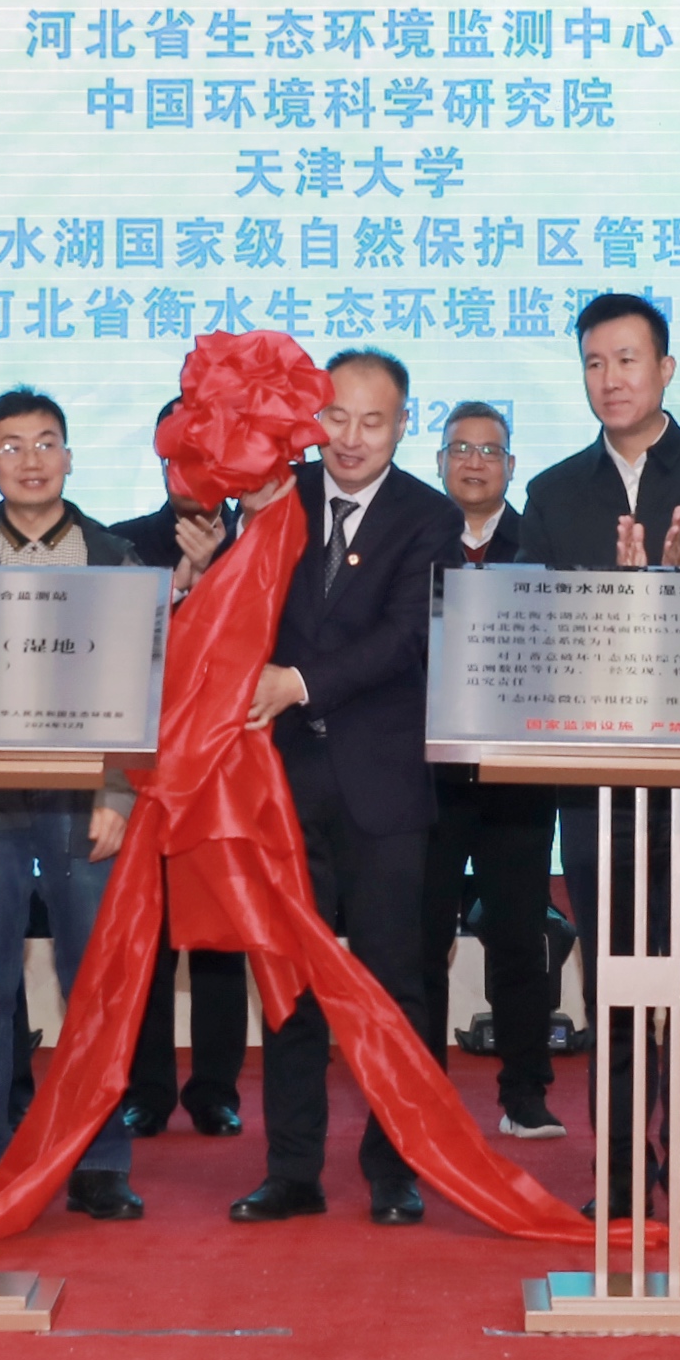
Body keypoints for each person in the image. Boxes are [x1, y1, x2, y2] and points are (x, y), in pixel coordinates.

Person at [518, 292, 680, 1230]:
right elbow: (536, 637)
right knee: (614, 985)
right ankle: (624, 1170)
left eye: (627, 360)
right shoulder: (553, 494)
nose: (610, 379)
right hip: (596, 784)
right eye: (593, 363)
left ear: (665, 369)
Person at [236, 348, 461, 1227]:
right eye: (336, 418)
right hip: (281, 780)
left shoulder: (429, 517)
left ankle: (397, 1165)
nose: (352, 438)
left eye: (373, 421)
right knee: (287, 984)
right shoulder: (274, 497)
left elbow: (408, 637)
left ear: (403, 426)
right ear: (312, 419)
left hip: (383, 787)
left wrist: (298, 682)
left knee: (393, 985)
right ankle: (290, 1169)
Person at [0, 387, 150, 1220]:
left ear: (68, 456)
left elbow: (142, 685)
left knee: (91, 985)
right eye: (11, 447)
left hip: (84, 799)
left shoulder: (116, 560)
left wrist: (118, 789)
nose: (30, 460)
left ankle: (99, 1157)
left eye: (45, 442)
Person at [417, 401, 568, 1141]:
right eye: (460, 449)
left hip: (517, 776)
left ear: (511, 465)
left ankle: (525, 1092)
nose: (473, 462)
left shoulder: (540, 545)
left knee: (518, 938)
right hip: (427, 778)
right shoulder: (413, 540)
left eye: (489, 450)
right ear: (439, 462)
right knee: (420, 941)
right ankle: (421, 1095)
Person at [105, 397, 250, 1141]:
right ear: (163, 464)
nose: (191, 469)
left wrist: (218, 571)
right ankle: (149, 1088)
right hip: (149, 772)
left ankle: (216, 1089)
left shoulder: (257, 540)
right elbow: (121, 656)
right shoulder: (124, 544)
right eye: (179, 455)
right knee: (151, 935)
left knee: (222, 934)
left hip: (231, 769)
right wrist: (185, 583)